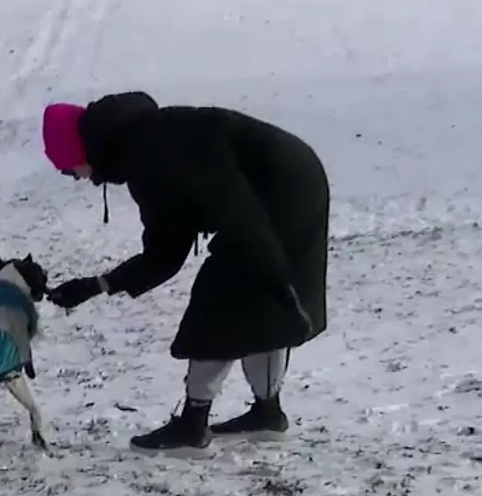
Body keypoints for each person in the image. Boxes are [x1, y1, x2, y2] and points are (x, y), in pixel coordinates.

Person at [40, 91, 330, 454]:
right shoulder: (145, 146)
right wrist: (97, 286)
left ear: (79, 151)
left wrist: (276, 274)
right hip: (295, 180)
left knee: (220, 303)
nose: (74, 178)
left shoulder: (154, 153)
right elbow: (166, 251)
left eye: (67, 169)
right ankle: (266, 413)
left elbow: (236, 208)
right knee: (258, 303)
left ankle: (193, 426)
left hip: (280, 195)